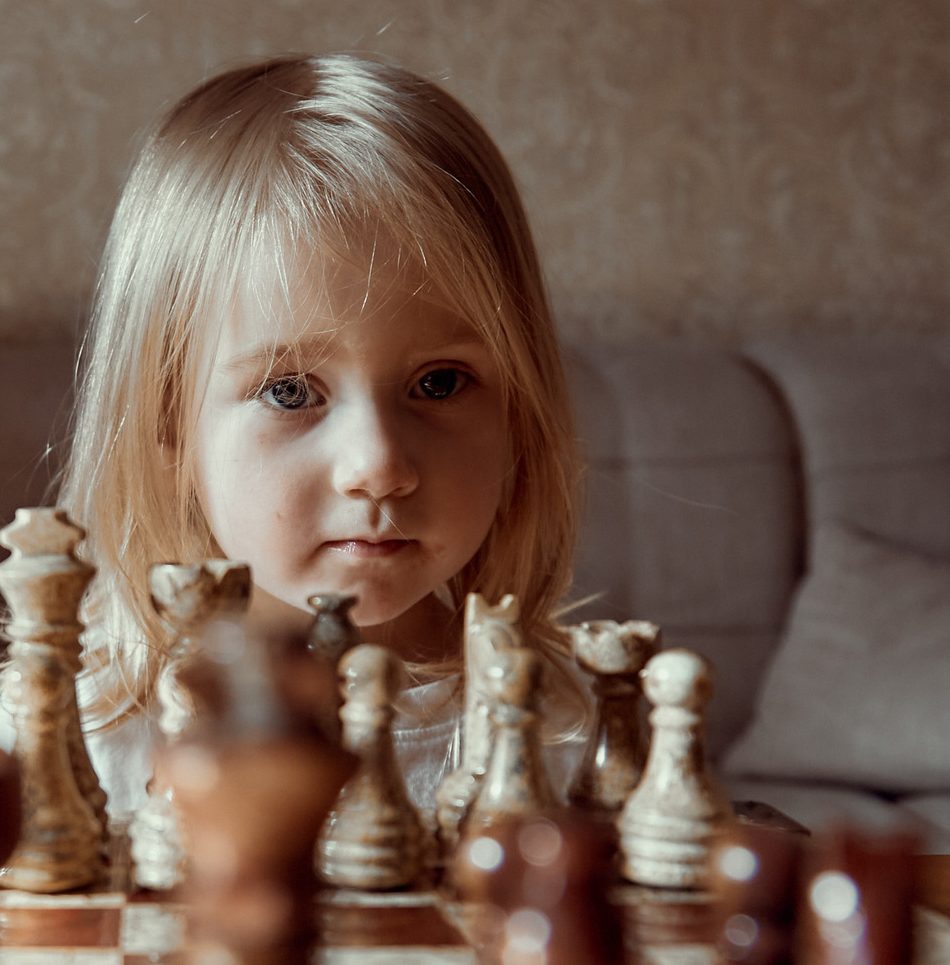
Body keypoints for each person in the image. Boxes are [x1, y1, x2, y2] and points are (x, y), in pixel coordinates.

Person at [55, 52, 582, 816]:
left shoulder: (560, 729)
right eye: (290, 390)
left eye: (438, 382)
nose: (378, 466)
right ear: (169, 429)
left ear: (519, 417)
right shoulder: (94, 728)